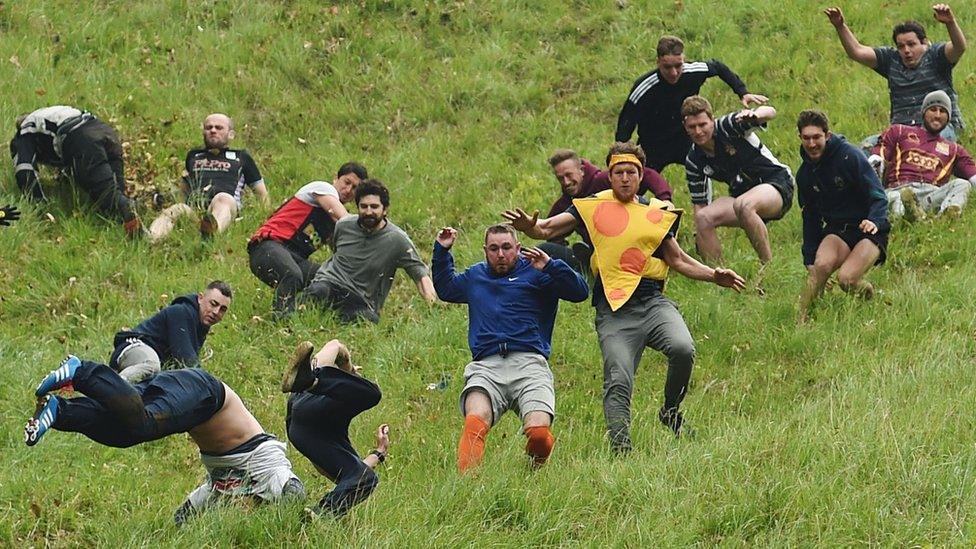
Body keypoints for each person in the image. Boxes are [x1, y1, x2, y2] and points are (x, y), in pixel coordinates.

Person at [503, 142, 745, 452]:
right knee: (618, 379)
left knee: (683, 348)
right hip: (614, 310)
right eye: (619, 172)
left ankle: (670, 410)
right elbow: (547, 229)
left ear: (641, 176)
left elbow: (679, 260)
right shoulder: (590, 205)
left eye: (631, 172)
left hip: (652, 302)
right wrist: (531, 227)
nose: (625, 178)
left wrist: (714, 274)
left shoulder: (654, 212)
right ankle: (621, 450)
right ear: (609, 175)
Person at [25, 355, 305, 525]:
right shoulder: (269, 467)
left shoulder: (225, 485)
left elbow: (186, 514)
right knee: (142, 424)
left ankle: (59, 411)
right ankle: (81, 371)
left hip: (191, 402)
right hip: (206, 395)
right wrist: (292, 522)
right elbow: (293, 491)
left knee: (127, 431)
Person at [433, 224, 588, 471]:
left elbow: (580, 292)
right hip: (487, 366)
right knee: (475, 422)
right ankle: (466, 491)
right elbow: (446, 289)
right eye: (494, 249)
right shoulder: (476, 276)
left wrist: (551, 266)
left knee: (538, 433)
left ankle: (532, 472)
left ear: (518, 247)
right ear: (485, 251)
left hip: (529, 363)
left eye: (506, 247)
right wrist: (442, 251)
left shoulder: (538, 272)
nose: (501, 254)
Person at [615, 35, 768, 172]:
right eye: (667, 67)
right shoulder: (644, 87)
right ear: (658, 62)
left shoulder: (693, 71)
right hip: (653, 144)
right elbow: (626, 122)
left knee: (706, 170)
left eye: (678, 65)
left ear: (684, 59)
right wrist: (621, 155)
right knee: (635, 186)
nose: (674, 73)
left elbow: (719, 67)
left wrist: (742, 92)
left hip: (685, 136)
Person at [795, 110, 890, 324]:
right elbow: (810, 218)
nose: (811, 144)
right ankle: (800, 321)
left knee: (846, 280)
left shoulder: (850, 156)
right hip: (838, 230)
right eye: (806, 138)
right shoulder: (804, 175)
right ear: (800, 138)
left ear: (827, 135)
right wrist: (808, 256)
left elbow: (878, 194)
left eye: (816, 137)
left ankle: (868, 295)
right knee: (819, 267)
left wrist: (874, 219)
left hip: (869, 228)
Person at [824, 5, 966, 140]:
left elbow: (959, 47)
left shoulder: (936, 56)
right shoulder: (891, 60)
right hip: (901, 130)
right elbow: (857, 52)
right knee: (867, 147)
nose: (906, 51)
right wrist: (840, 26)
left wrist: (950, 23)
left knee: (925, 146)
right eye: (901, 46)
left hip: (939, 128)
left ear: (924, 43)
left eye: (911, 44)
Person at [302, 179, 436, 323]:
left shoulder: (397, 240)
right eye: (364, 206)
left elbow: (420, 276)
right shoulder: (343, 226)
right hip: (329, 282)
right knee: (317, 292)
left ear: (385, 209)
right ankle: (294, 320)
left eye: (374, 207)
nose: (368, 212)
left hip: (360, 298)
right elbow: (336, 250)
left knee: (367, 320)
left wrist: (432, 306)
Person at [682, 95, 794, 266]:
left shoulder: (728, 126)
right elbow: (700, 204)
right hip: (742, 197)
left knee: (743, 204)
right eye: (692, 127)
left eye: (702, 125)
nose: (698, 131)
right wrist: (700, 235)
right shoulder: (693, 160)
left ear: (712, 120)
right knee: (703, 218)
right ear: (685, 127)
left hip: (776, 184)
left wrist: (755, 115)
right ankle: (718, 276)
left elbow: (771, 112)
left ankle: (768, 267)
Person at [282, 339, 389, 517]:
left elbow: (356, 473)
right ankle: (322, 514)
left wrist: (379, 452)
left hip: (302, 415)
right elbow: (335, 346)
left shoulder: (333, 407)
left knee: (364, 477)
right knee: (372, 393)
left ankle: (310, 377)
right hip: (304, 422)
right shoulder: (331, 395)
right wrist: (349, 370)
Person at [248, 163, 368, 317]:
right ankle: (281, 322)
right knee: (292, 275)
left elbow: (342, 253)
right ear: (336, 179)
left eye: (355, 188)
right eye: (347, 182)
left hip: (295, 258)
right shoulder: (323, 188)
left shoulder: (335, 224)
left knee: (333, 283)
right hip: (267, 247)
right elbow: (341, 217)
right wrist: (372, 226)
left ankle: (308, 314)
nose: (349, 190)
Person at [10, 106, 141, 237]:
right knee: (114, 200)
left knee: (111, 198)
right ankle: (148, 205)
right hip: (104, 131)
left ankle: (143, 226)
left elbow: (25, 169)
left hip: (81, 136)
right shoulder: (49, 114)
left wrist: (38, 205)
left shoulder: (24, 132)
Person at [542, 149, 672, 271]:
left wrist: (665, 199)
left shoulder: (603, 181)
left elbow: (649, 175)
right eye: (560, 178)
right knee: (545, 249)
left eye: (569, 175)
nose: (566, 182)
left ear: (581, 170)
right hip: (601, 256)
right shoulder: (564, 204)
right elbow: (550, 230)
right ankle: (584, 265)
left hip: (634, 246)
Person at [148, 113, 269, 241]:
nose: (213, 130)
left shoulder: (242, 157)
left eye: (219, 128)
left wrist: (265, 222)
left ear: (231, 134)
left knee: (222, 198)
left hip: (226, 210)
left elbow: (262, 194)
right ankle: (151, 238)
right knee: (178, 208)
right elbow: (184, 190)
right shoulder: (193, 156)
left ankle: (212, 234)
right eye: (208, 127)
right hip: (196, 213)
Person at [877, 91, 976, 220]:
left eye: (943, 111)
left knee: (962, 184)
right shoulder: (899, 131)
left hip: (929, 195)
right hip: (898, 190)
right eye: (933, 110)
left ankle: (946, 217)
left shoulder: (954, 149)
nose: (937, 115)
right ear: (924, 112)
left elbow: (973, 176)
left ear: (949, 117)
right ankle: (906, 220)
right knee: (897, 198)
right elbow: (877, 157)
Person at [108, 280, 232, 383]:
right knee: (151, 366)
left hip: (149, 364)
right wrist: (212, 386)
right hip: (134, 346)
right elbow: (187, 361)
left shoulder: (200, 326)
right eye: (213, 304)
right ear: (200, 298)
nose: (216, 312)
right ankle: (110, 388)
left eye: (222, 309)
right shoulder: (181, 312)